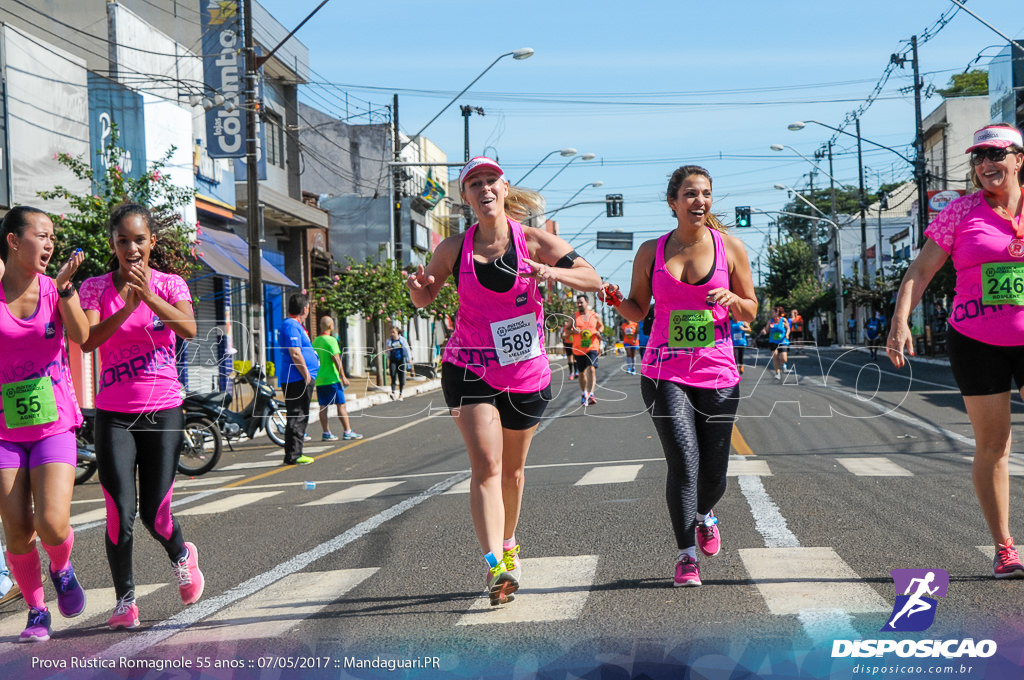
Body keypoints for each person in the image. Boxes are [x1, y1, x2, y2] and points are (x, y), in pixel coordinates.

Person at [406, 156, 601, 605]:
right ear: (466, 197)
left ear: (504, 187)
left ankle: (509, 542)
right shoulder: (454, 248)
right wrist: (418, 288)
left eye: (491, 180)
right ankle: (495, 566)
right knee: (487, 466)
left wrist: (552, 272)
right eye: (474, 183)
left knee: (512, 472)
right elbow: (424, 296)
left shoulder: (533, 241)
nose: (484, 188)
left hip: (525, 372)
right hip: (469, 366)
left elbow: (591, 278)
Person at [604, 165, 757, 587]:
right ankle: (686, 555)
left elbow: (752, 308)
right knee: (685, 465)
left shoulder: (731, 249)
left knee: (714, 476)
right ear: (672, 202)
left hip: (718, 373)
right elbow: (637, 309)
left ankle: (706, 515)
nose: (699, 202)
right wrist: (614, 298)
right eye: (690, 194)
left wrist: (732, 299)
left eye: (705, 194)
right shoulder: (651, 252)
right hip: (663, 371)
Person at [888, 123, 1024, 579]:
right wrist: (900, 320)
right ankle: (1005, 547)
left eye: (997, 154)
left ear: (1019, 159)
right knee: (993, 444)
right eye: (979, 157)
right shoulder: (960, 213)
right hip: (976, 341)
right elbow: (921, 269)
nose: (987, 164)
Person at [79, 202, 203, 630]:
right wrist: (126, 308)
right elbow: (89, 340)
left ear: (152, 241)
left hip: (163, 409)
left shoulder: (171, 284)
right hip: (113, 414)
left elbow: (188, 328)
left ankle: (181, 556)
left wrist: (147, 295)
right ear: (113, 244)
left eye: (139, 239)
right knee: (120, 511)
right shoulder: (95, 288)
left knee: (155, 513)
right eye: (122, 240)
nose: (131, 248)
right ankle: (125, 601)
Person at [0, 207, 89, 641]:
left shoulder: (56, 289)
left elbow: (84, 337)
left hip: (54, 422)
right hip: (4, 431)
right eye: (41, 235)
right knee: (16, 530)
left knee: (52, 523)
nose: (51, 244)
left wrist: (67, 290)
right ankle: (36, 611)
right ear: (14, 242)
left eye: (53, 236)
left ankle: (62, 567)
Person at [278, 293, 318, 466]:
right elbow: (295, 352)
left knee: (299, 414)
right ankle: (294, 454)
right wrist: (306, 374)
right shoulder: (291, 326)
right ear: (305, 309)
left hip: (298, 377)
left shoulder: (295, 325)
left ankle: (295, 452)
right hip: (297, 378)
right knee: (297, 415)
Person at [312, 316, 362, 441]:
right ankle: (347, 431)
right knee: (341, 405)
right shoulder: (331, 340)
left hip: (320, 379)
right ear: (331, 326)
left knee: (323, 406)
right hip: (332, 379)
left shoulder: (315, 341)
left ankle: (326, 432)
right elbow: (336, 359)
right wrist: (343, 376)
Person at [571, 294, 604, 405]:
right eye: (578, 302)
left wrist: (600, 332)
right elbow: (566, 330)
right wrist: (573, 331)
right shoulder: (574, 316)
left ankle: (591, 394)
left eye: (581, 302)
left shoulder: (594, 315)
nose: (579, 304)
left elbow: (601, 326)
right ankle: (584, 392)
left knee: (592, 369)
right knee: (581, 373)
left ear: (587, 303)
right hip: (578, 348)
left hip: (592, 346)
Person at [760, 306, 791, 379]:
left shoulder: (783, 320)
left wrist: (787, 334)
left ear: (777, 312)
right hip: (773, 341)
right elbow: (766, 330)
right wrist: (764, 331)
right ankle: (777, 373)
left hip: (783, 341)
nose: (771, 314)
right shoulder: (770, 321)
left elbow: (788, 328)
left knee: (784, 358)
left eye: (773, 312)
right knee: (775, 357)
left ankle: (784, 364)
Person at [385, 326, 412, 401]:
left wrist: (409, 359)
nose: (392, 334)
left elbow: (407, 349)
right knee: (393, 374)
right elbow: (386, 351)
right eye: (391, 332)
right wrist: (388, 350)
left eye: (394, 332)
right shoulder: (389, 341)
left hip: (401, 359)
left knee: (401, 375)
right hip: (393, 359)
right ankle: (393, 392)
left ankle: (401, 392)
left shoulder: (402, 340)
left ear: (397, 332)